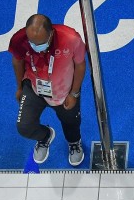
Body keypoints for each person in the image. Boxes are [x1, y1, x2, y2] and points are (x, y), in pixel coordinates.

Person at [8, 14, 87, 166]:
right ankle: (45, 136)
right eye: (32, 43)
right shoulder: (19, 39)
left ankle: (74, 143)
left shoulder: (71, 39)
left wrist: (74, 93)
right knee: (24, 127)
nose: (36, 48)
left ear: (51, 33)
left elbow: (80, 65)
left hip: (64, 91)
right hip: (34, 87)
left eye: (40, 43)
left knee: (71, 123)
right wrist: (19, 87)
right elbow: (17, 61)